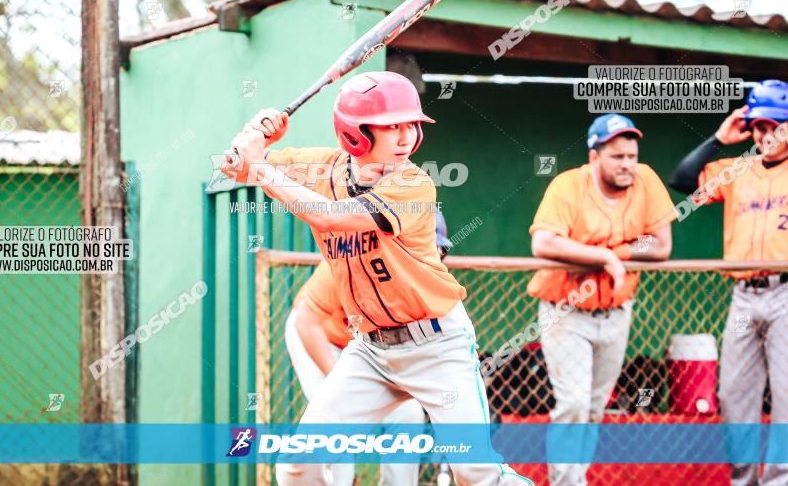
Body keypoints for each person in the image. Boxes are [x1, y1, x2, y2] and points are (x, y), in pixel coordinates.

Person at [221, 70, 530, 485]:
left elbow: (332, 217)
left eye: (411, 126)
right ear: (355, 134)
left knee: (475, 472)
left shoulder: (413, 183)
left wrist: (262, 168)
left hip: (438, 347)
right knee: (299, 463)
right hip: (370, 352)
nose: (406, 138)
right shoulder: (321, 168)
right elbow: (235, 168)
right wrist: (253, 141)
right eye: (391, 127)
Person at [528, 113, 675, 486]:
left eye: (631, 156)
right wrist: (604, 257)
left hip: (616, 312)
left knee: (593, 408)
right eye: (617, 157)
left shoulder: (646, 181)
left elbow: (659, 244)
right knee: (574, 404)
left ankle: (576, 479)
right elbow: (544, 241)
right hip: (566, 310)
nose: (627, 165)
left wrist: (619, 250)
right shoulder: (569, 185)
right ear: (595, 157)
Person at [668, 81, 788, 486]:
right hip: (743, 295)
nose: (765, 135)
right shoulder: (738, 169)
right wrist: (720, 138)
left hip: (786, 293)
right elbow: (682, 180)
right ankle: (744, 480)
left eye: (776, 125)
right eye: (759, 127)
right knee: (734, 397)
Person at [284, 209, 453, 485]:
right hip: (320, 338)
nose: (429, 255)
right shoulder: (351, 259)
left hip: (369, 349)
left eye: (435, 249)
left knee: (408, 414)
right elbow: (307, 321)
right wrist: (336, 382)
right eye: (420, 245)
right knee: (337, 421)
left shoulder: (427, 285)